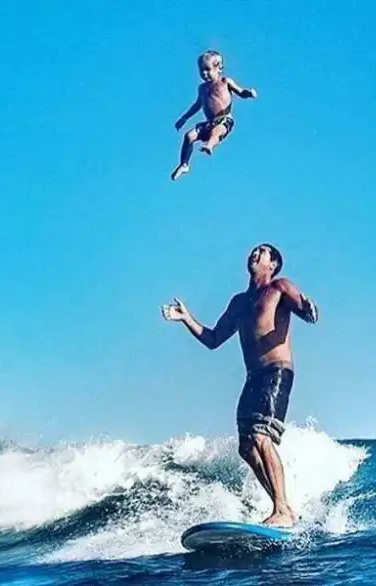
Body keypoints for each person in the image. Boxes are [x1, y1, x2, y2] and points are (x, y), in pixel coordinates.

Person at [161, 244, 318, 527]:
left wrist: (309, 309)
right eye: (254, 250)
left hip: (275, 372)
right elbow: (213, 339)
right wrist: (186, 318)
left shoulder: (279, 287)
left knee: (260, 437)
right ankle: (284, 508)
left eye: (262, 252)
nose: (254, 253)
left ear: (273, 264)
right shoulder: (239, 303)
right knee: (246, 447)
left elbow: (306, 311)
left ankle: (281, 509)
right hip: (252, 379)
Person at [171, 50, 258, 181]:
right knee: (189, 136)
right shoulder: (202, 88)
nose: (204, 73)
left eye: (207, 69)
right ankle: (184, 164)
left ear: (219, 68)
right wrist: (184, 118)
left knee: (216, 131)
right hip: (209, 122)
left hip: (224, 119)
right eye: (201, 70)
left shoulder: (225, 81)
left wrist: (249, 93)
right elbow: (197, 105)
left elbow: (240, 92)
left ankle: (210, 145)